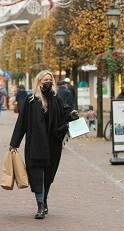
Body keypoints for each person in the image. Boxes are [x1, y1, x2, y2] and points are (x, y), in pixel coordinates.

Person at [10, 70, 78, 219]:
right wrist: (14, 143)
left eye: (49, 80)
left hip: (52, 144)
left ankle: (44, 199)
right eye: (44, 80)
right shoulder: (31, 101)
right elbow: (21, 123)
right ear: (38, 82)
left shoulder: (56, 99)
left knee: (48, 176)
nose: (47, 82)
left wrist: (73, 115)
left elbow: (65, 112)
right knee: (36, 175)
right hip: (35, 144)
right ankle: (40, 206)